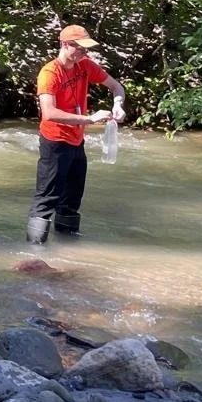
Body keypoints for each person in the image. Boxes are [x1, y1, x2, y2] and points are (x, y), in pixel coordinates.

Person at [28, 24, 127, 243]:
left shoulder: (85, 66)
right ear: (65, 45)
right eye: (80, 48)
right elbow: (49, 113)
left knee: (72, 199)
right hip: (55, 141)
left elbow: (116, 86)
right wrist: (90, 119)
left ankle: (67, 248)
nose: (85, 52)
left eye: (86, 48)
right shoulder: (49, 73)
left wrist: (118, 104)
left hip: (76, 141)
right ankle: (34, 254)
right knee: (47, 198)